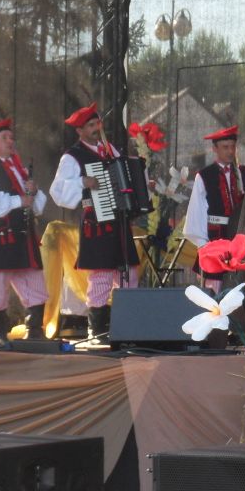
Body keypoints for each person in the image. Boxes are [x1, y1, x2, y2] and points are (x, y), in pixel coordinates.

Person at [50, 103, 141, 340]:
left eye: (97, 123)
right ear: (79, 131)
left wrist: (140, 184)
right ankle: (98, 329)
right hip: (96, 221)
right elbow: (57, 191)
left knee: (128, 272)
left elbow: (125, 175)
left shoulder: (111, 150)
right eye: (90, 125)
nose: (96, 128)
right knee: (101, 275)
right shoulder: (72, 157)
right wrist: (83, 182)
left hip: (119, 220)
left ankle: (127, 325)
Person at [0, 117, 49, 342]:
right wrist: (19, 200)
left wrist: (33, 191)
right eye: (5, 138)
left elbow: (36, 205)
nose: (10, 141)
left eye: (11, 137)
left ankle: (35, 331)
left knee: (34, 280)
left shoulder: (18, 167)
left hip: (22, 235)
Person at [183, 125, 245, 293]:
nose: (230, 151)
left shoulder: (244, 173)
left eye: (233, 147)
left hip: (240, 235)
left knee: (243, 283)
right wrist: (204, 246)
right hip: (216, 237)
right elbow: (197, 211)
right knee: (215, 286)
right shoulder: (204, 175)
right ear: (215, 149)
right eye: (225, 147)